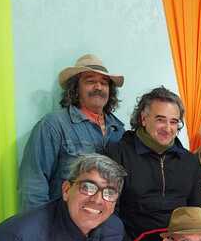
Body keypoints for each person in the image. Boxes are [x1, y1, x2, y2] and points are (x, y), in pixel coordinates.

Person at [105, 86, 201, 241]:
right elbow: (110, 213)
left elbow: (200, 213)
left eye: (174, 122)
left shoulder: (190, 161)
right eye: (160, 120)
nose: (168, 128)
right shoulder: (117, 153)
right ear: (143, 119)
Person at [19, 54, 125, 211]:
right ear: (75, 88)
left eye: (104, 83)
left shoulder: (118, 130)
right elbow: (33, 183)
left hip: (106, 223)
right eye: (90, 81)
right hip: (63, 223)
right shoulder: (54, 125)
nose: (98, 87)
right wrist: (40, 229)